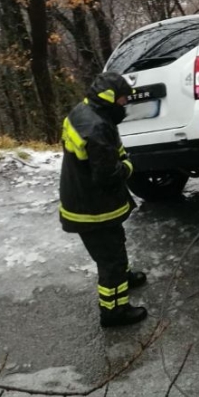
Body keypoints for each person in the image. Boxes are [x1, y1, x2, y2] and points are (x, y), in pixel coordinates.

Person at [59, 72, 148, 328]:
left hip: (84, 198)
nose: (125, 105)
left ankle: (124, 277)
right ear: (110, 99)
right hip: (93, 209)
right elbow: (107, 174)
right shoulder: (97, 127)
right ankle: (114, 312)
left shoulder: (83, 112)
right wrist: (128, 167)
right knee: (111, 260)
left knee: (115, 245)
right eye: (123, 100)